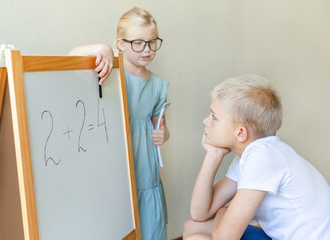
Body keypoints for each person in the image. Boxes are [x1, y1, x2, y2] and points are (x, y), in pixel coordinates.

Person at [183, 75, 330, 240]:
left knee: (195, 238)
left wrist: (223, 211)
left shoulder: (263, 158)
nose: (205, 121)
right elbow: (199, 213)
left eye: (214, 117)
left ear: (240, 133)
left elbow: (225, 237)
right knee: (192, 227)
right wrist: (213, 156)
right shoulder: (250, 155)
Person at [69, 7, 170, 240]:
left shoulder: (158, 85)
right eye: (138, 43)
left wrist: (163, 135)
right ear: (120, 44)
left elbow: (159, 125)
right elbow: (72, 56)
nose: (146, 49)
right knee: (116, 212)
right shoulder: (109, 71)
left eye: (152, 42)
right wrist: (102, 49)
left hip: (144, 161)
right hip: (114, 152)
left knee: (147, 217)